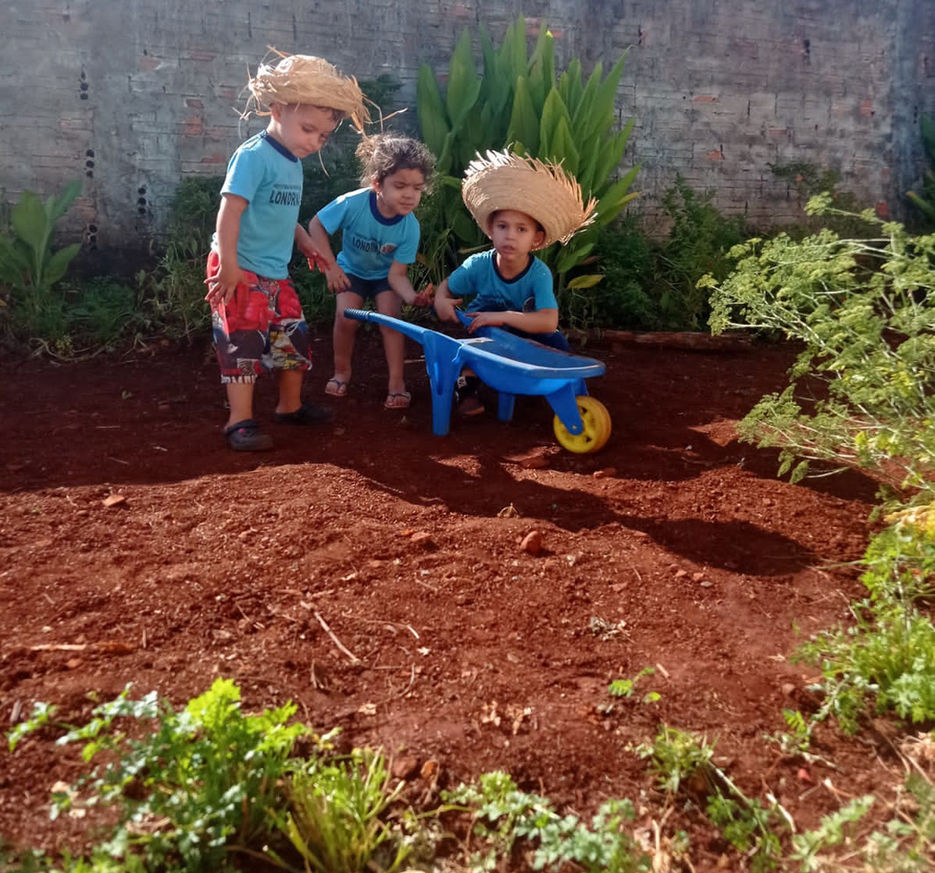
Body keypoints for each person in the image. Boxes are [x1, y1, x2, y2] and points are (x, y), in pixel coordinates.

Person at [204, 52, 368, 451]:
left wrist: (303, 239)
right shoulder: (253, 156)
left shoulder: (292, 161)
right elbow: (230, 211)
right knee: (242, 342)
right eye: (308, 129)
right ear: (277, 110)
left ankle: (289, 406)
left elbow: (279, 212)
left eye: (322, 136)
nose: (313, 142)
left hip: (276, 272)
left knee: (293, 338)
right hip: (239, 267)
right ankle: (239, 421)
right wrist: (229, 264)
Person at [433, 150, 597, 416]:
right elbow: (447, 287)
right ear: (490, 229)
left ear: (536, 239)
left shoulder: (539, 273)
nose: (510, 236)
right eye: (503, 226)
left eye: (521, 229)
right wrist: (441, 300)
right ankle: (466, 385)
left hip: (523, 329)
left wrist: (503, 317)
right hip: (485, 330)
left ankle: (558, 387)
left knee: (558, 346)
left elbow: (548, 321)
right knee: (467, 351)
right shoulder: (478, 265)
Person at [305, 134, 435, 410]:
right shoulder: (353, 203)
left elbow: (397, 275)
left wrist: (411, 297)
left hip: (384, 278)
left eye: (417, 188)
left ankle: (397, 383)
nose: (409, 195)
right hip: (351, 271)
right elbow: (316, 225)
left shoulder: (410, 227)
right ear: (377, 184)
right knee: (346, 317)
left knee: (391, 320)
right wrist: (331, 267)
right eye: (400, 186)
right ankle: (341, 372)